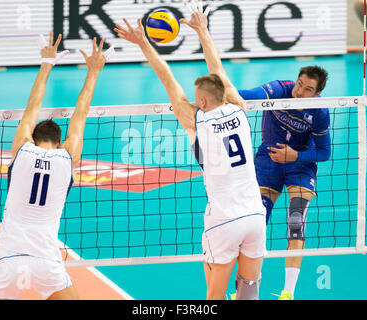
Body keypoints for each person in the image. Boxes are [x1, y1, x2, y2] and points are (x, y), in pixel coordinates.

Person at [114, 2, 266, 300]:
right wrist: (202, 31)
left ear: (204, 102)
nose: (194, 101)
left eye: (197, 98)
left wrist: (143, 42)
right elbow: (217, 69)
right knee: (249, 293)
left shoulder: (197, 120)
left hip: (223, 220)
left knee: (214, 298)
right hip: (255, 216)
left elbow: (167, 77)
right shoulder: (240, 108)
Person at [0, 33, 107, 300]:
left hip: (9, 259)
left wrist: (47, 63)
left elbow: (32, 106)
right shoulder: (67, 157)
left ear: (33, 139)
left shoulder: (22, 149)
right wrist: (93, 71)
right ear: (60, 143)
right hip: (47, 260)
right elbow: (81, 113)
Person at [238, 66, 331, 300]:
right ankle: (244, 291)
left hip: (300, 164)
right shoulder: (281, 89)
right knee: (255, 226)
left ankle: (287, 294)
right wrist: (222, 95)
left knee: (296, 222)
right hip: (269, 161)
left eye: (308, 89)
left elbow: (325, 152)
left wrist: (296, 156)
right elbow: (248, 95)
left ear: (317, 93)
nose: (299, 91)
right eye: (300, 83)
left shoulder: (319, 111)